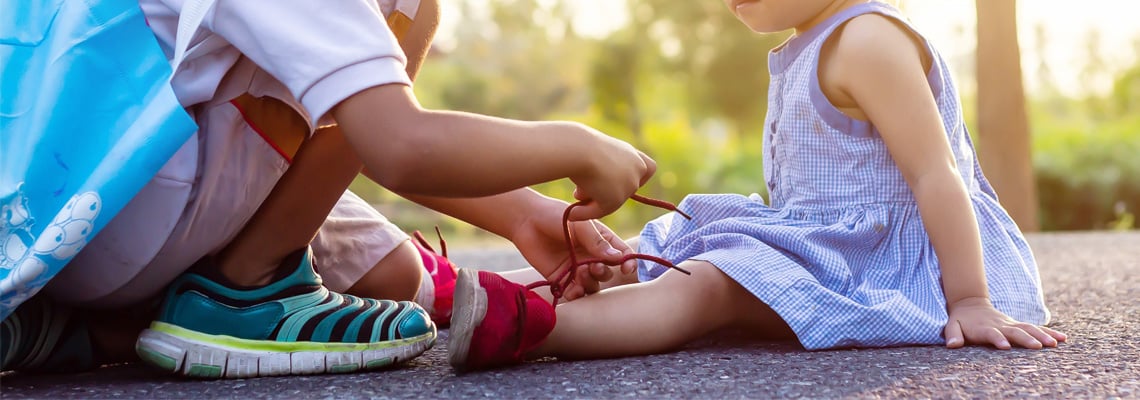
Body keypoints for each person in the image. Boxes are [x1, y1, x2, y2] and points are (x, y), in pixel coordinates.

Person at [0, 0, 654, 378]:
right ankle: (248, 289)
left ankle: (84, 327)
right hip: (119, 223)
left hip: (53, 213)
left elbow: (352, 121)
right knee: (413, 9)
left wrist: (519, 212)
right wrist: (578, 146)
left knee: (394, 273)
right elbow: (399, 145)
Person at [446, 0, 1069, 371]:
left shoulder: (869, 39)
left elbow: (937, 174)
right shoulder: (811, 40)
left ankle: (532, 327)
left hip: (897, 266)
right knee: (671, 254)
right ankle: (478, 299)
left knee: (716, 282)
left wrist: (969, 300)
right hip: (831, 244)